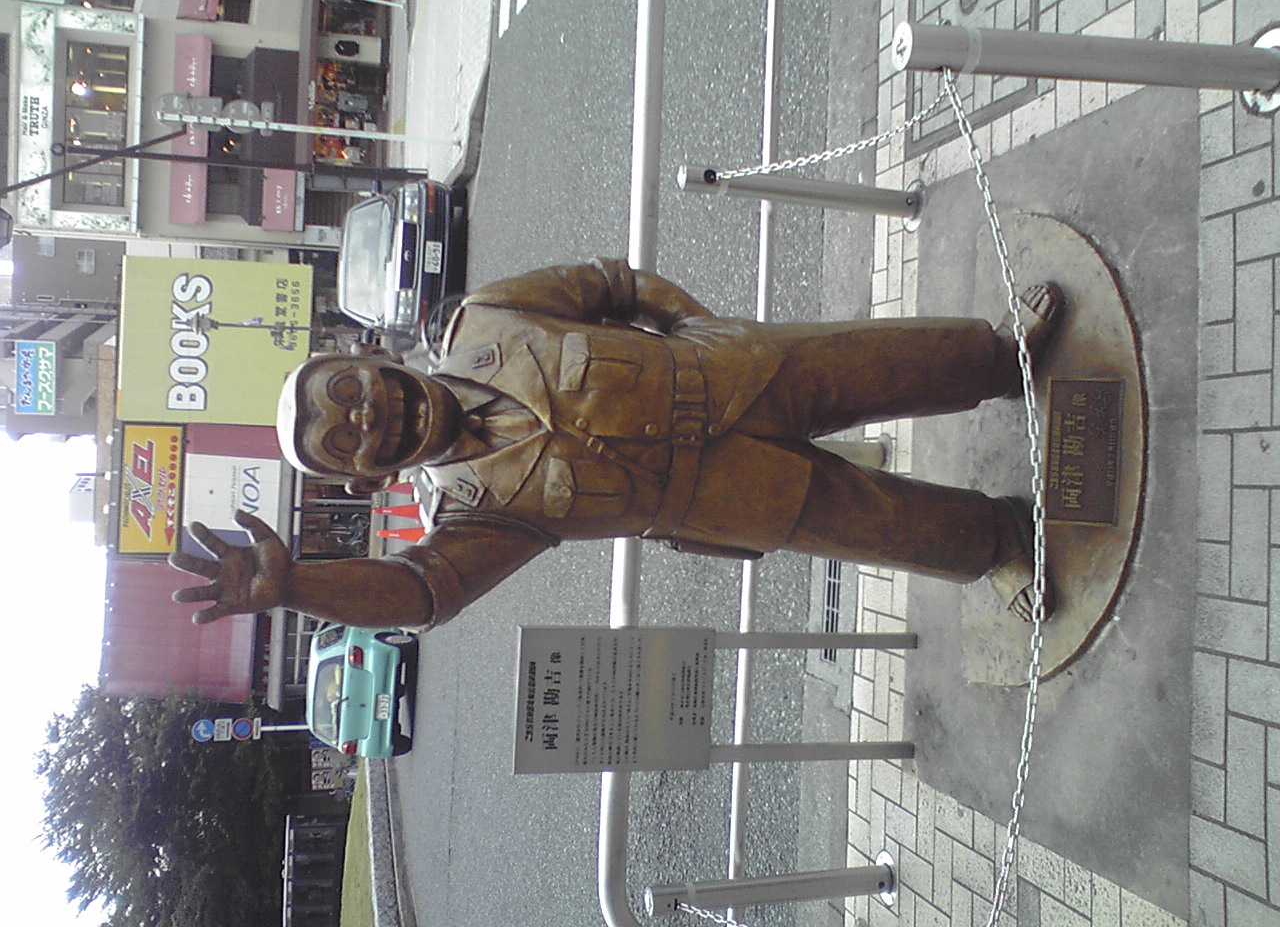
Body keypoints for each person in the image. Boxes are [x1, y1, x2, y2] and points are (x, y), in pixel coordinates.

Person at [170, 259, 1063, 632]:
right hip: (723, 496)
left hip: (738, 371)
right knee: (881, 525)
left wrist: (701, 327)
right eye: (345, 441)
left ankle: (1002, 355)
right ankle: (998, 542)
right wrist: (298, 588)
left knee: (887, 362)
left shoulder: (485, 320)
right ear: (368, 481)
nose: (366, 416)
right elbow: (421, 594)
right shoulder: (480, 515)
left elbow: (610, 285)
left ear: (369, 360)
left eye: (348, 390)